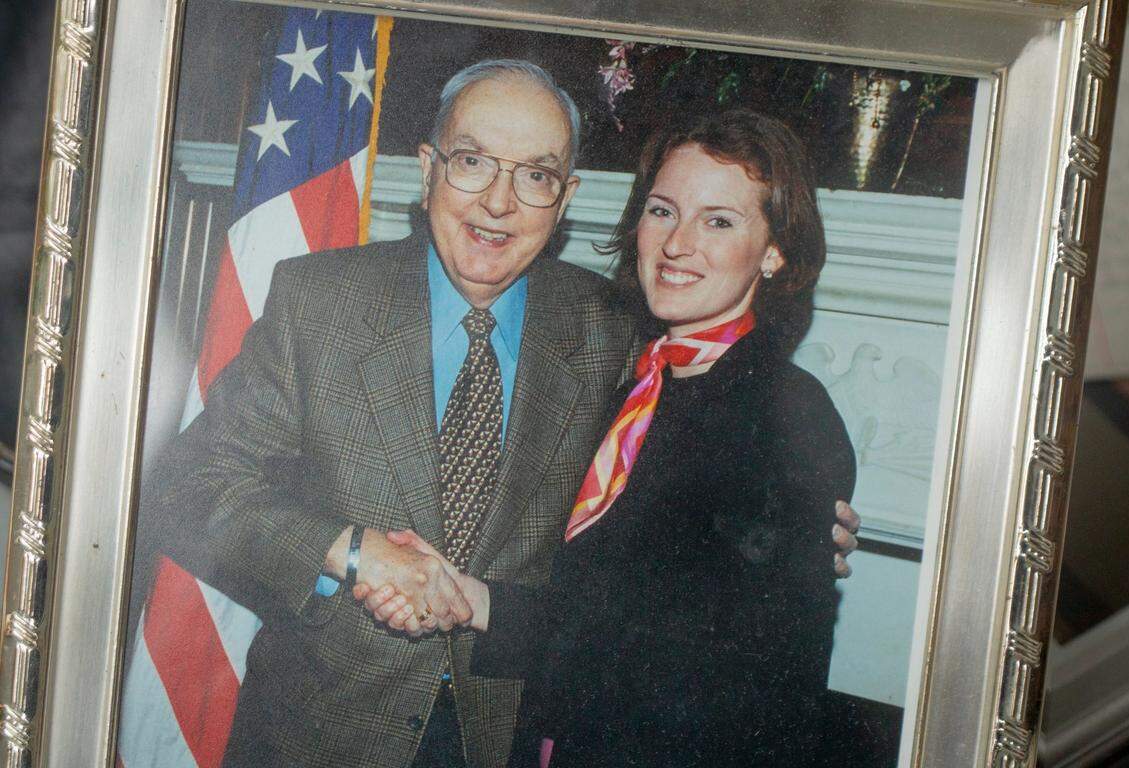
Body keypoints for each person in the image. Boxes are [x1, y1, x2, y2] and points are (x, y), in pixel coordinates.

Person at [142, 60, 859, 768]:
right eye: (473, 162)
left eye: (536, 176)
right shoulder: (319, 302)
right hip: (320, 737)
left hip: (511, 738)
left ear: (567, 196)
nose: (498, 203)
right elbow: (188, 482)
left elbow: (696, 563)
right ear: (427, 168)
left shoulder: (612, 332)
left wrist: (796, 533)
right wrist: (350, 550)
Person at [362, 108, 856, 767]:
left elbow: (708, 671)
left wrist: (477, 605)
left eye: (719, 220)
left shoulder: (789, 412)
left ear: (774, 251)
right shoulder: (631, 379)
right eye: (662, 210)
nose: (677, 243)